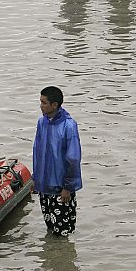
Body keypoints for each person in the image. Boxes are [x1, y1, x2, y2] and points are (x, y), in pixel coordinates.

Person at [32, 86, 82, 236]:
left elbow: (73, 158)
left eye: (44, 103)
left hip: (61, 188)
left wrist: (68, 186)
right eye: (40, 102)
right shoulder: (42, 123)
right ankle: (51, 257)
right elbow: (37, 151)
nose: (41, 106)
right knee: (50, 228)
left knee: (63, 232)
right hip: (45, 185)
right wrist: (35, 178)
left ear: (54, 105)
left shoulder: (68, 126)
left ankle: (63, 258)